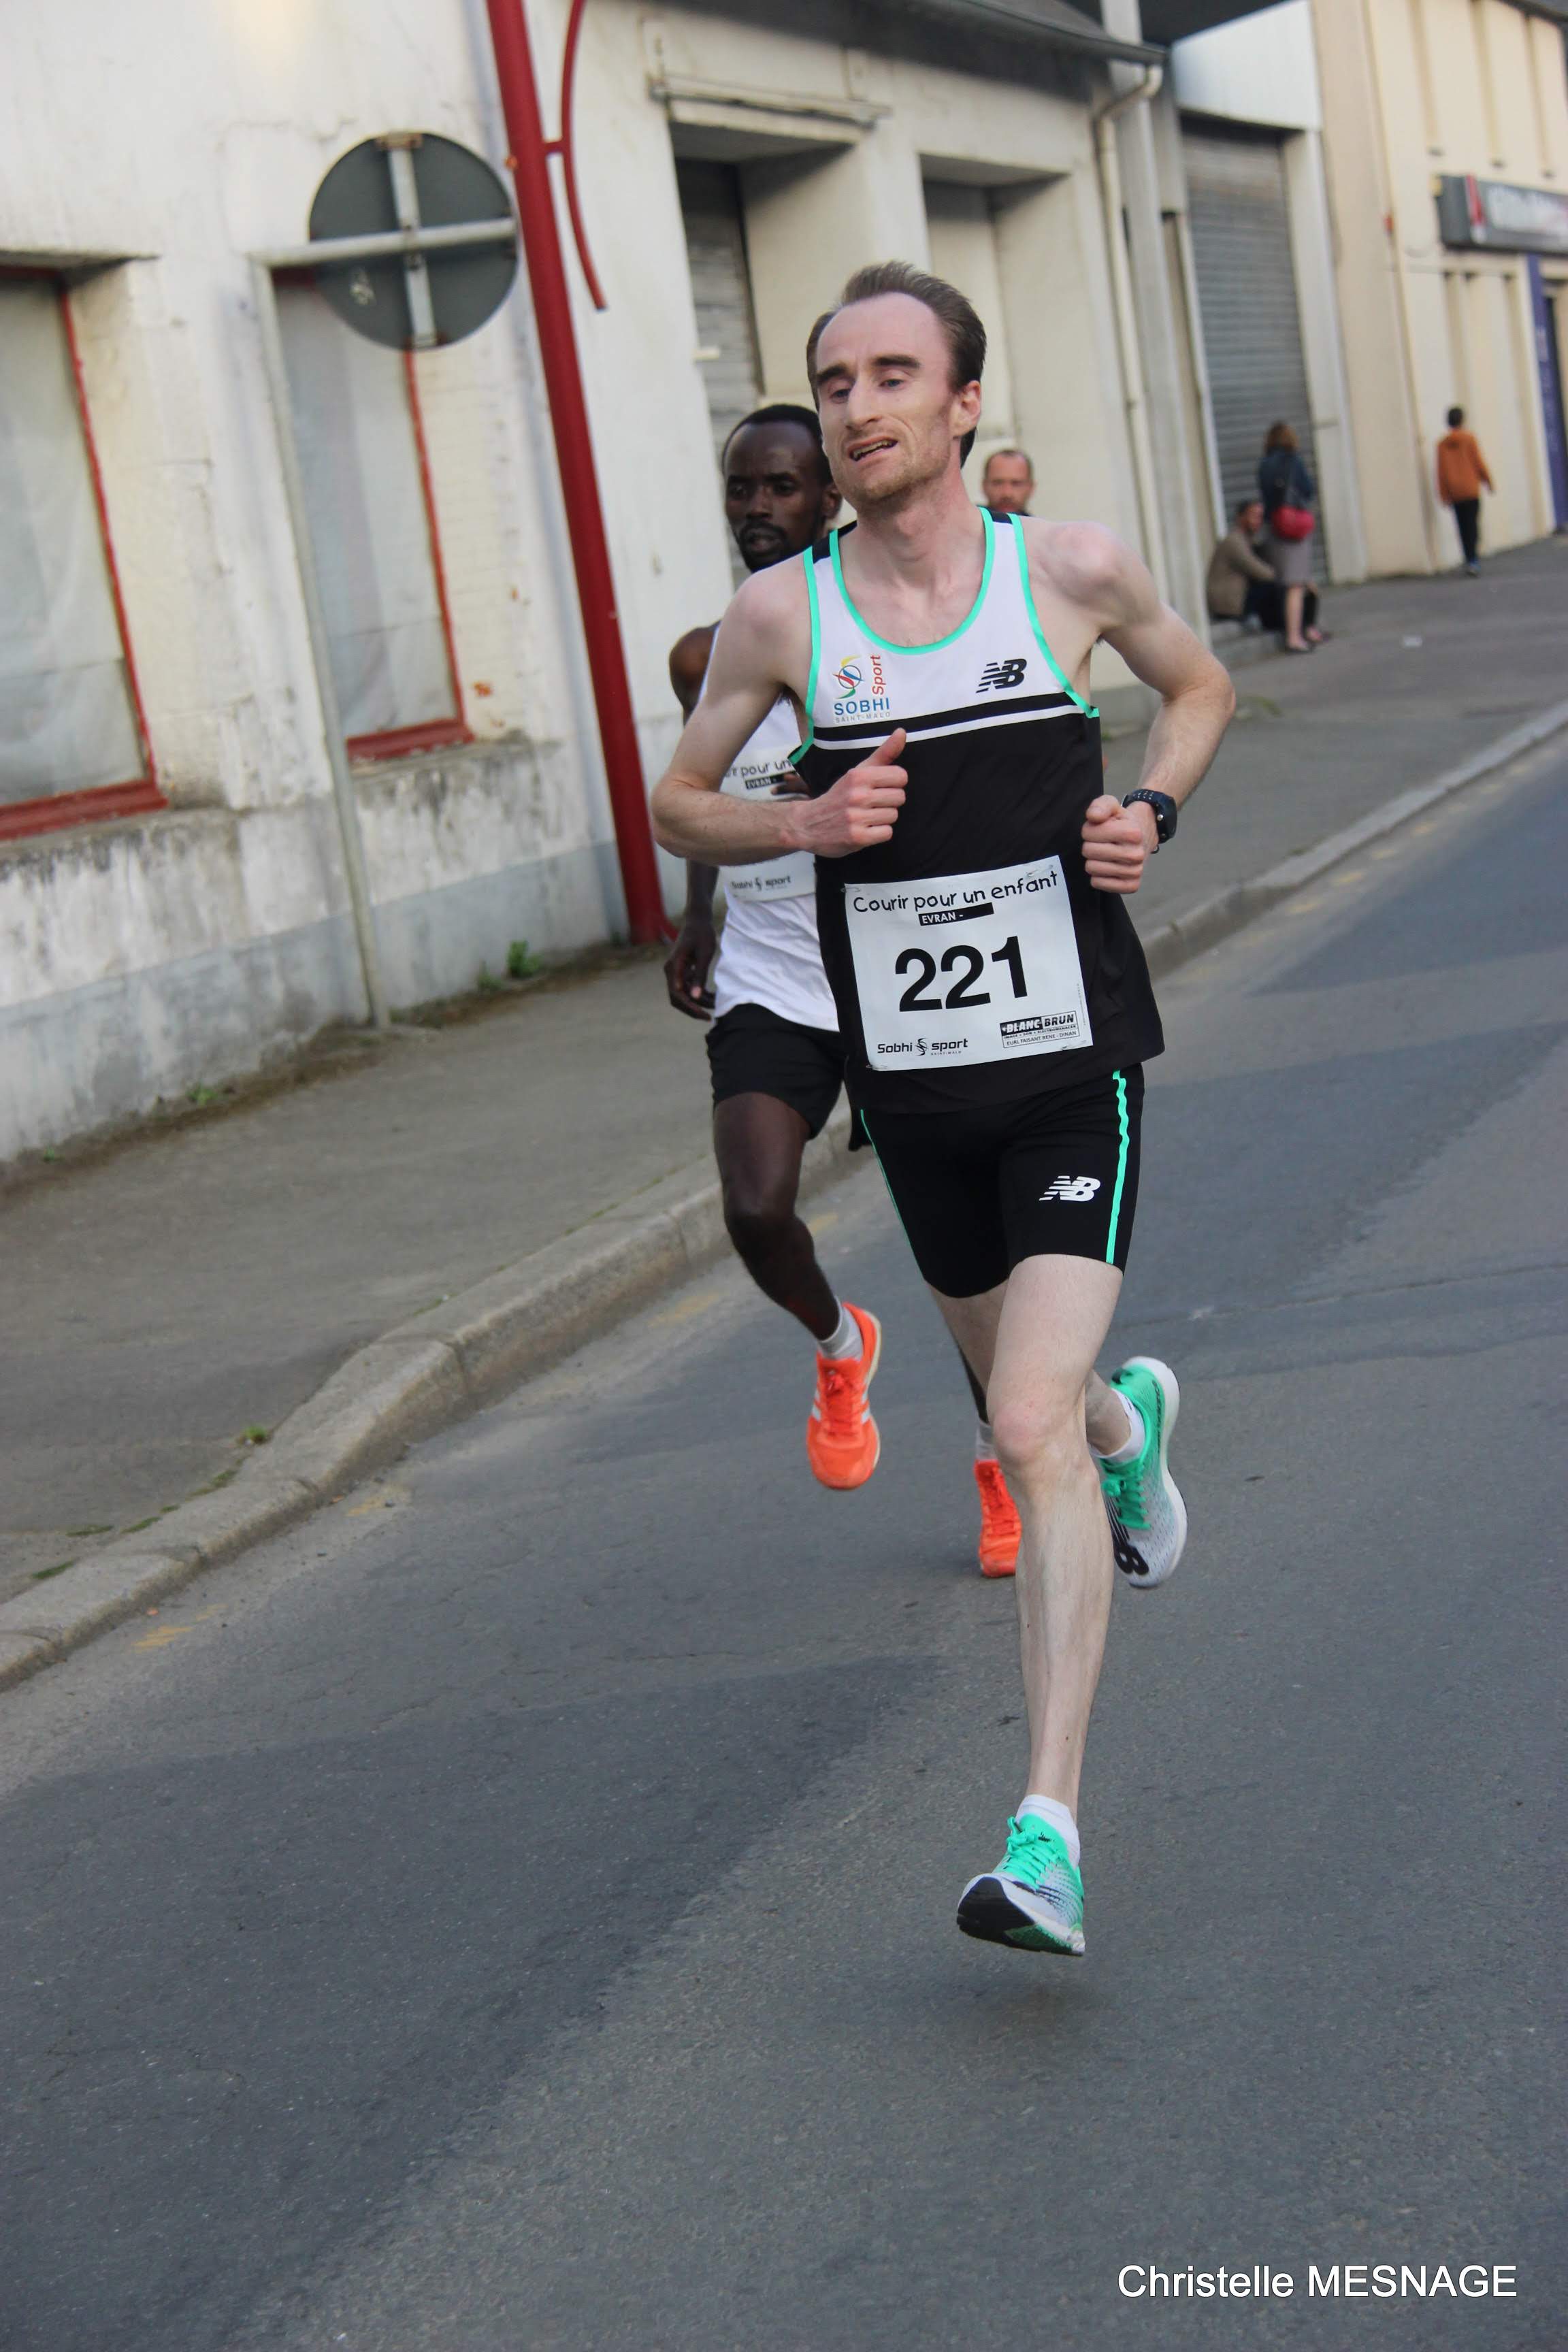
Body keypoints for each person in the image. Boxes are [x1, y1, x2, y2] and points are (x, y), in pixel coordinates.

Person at [651, 261, 1235, 1958]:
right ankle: (1130, 1427)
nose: (860, 406)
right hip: (914, 1089)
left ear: (964, 402)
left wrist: (1149, 809)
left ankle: (1045, 1833)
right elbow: (679, 801)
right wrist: (801, 828)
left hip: (1069, 1062)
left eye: (894, 375)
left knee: (1020, 1422)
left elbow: (1197, 687)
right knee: (1042, 1408)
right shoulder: (785, 619)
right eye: (835, 381)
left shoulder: (1069, 571)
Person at [664, 401, 1023, 1575]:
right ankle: (838, 1344)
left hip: (901, 979)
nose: (757, 507)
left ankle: (998, 1458)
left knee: (963, 1256)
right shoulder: (706, 653)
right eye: (740, 487)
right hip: (772, 976)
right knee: (754, 1206)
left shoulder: (883, 636)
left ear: (829, 497)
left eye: (781, 486)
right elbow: (701, 790)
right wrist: (697, 913)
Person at [1207, 497, 1320, 639]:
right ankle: (1295, 631)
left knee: (1300, 588)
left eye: (1261, 516)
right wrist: (1293, 579)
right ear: (1241, 517)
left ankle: (1304, 629)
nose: (1258, 521)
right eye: (1253, 515)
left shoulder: (1249, 539)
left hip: (1240, 598)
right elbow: (1260, 571)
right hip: (1228, 606)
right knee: (1281, 587)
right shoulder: (1234, 542)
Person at [1258, 422, 1321, 653]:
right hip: (1294, 527)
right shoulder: (1293, 461)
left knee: (1290, 583)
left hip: (1274, 526)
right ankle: (1295, 637)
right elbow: (1307, 489)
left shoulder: (1264, 464)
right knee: (1297, 584)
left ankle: (1307, 629)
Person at [1436, 406, 1493, 574]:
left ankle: (1469, 558)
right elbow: (1478, 462)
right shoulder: (1469, 439)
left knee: (1461, 525)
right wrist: (1488, 480)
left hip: (1455, 491)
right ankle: (1474, 558)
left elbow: (1441, 471)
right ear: (1462, 420)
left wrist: (1444, 493)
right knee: (1472, 524)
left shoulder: (1442, 445)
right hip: (1470, 488)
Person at [981, 446, 1034, 517]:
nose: (1007, 494)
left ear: (1030, 488)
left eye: (1016, 484)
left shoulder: (1039, 524)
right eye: (998, 483)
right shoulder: (968, 522)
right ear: (984, 486)